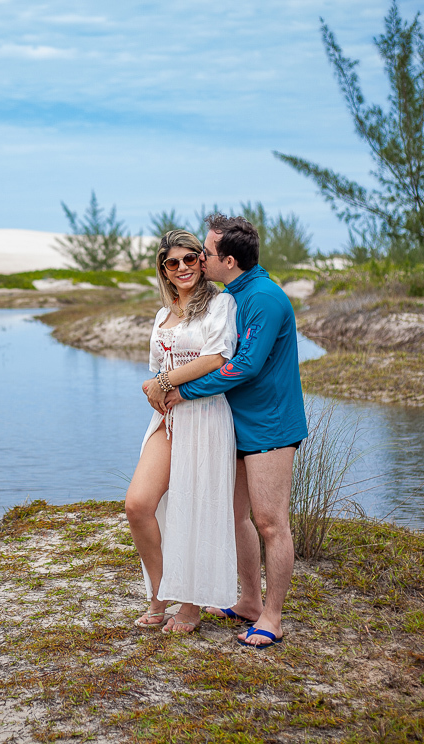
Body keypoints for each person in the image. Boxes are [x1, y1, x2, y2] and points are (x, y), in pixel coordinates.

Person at [163, 214, 308, 650]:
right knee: (235, 515)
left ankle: (272, 618)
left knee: (270, 522)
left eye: (205, 253)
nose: (199, 258)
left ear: (228, 261)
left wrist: (183, 391)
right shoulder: (231, 296)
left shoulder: (265, 298)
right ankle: (248, 601)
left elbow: (245, 366)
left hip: (271, 426)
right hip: (236, 423)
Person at [126, 230, 239, 634]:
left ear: (201, 261)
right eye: (172, 262)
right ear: (163, 269)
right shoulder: (162, 315)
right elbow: (158, 369)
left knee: (195, 509)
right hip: (168, 419)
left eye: (190, 258)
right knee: (138, 505)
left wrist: (164, 382)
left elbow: (217, 358)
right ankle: (160, 593)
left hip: (205, 417)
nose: (182, 268)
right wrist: (153, 386)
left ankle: (190, 607)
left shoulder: (221, 304)